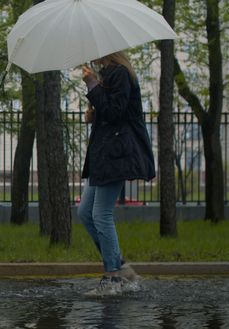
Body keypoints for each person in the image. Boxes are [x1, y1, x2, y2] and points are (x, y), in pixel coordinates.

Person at [78, 51, 156, 296]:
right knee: (85, 213)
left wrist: (92, 86)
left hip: (116, 155)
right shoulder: (110, 75)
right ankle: (121, 268)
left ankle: (113, 279)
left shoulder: (120, 73)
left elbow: (116, 112)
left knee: (101, 214)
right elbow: (111, 111)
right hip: (105, 155)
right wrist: (94, 112)